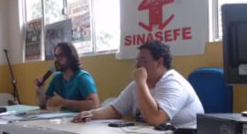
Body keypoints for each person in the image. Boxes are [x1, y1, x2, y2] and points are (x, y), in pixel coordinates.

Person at [72, 41, 204, 126]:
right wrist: (91, 114)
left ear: (159, 62)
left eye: (143, 61)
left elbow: (155, 119)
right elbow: (115, 110)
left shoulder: (174, 83)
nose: (137, 66)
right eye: (137, 60)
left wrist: (141, 83)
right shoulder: (138, 85)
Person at [35, 42, 100, 112]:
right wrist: (40, 90)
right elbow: (43, 105)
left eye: (60, 56)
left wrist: (63, 102)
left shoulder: (82, 77)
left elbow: (95, 104)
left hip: (81, 118)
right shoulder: (57, 78)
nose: (56, 60)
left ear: (70, 58)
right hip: (64, 117)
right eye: (55, 56)